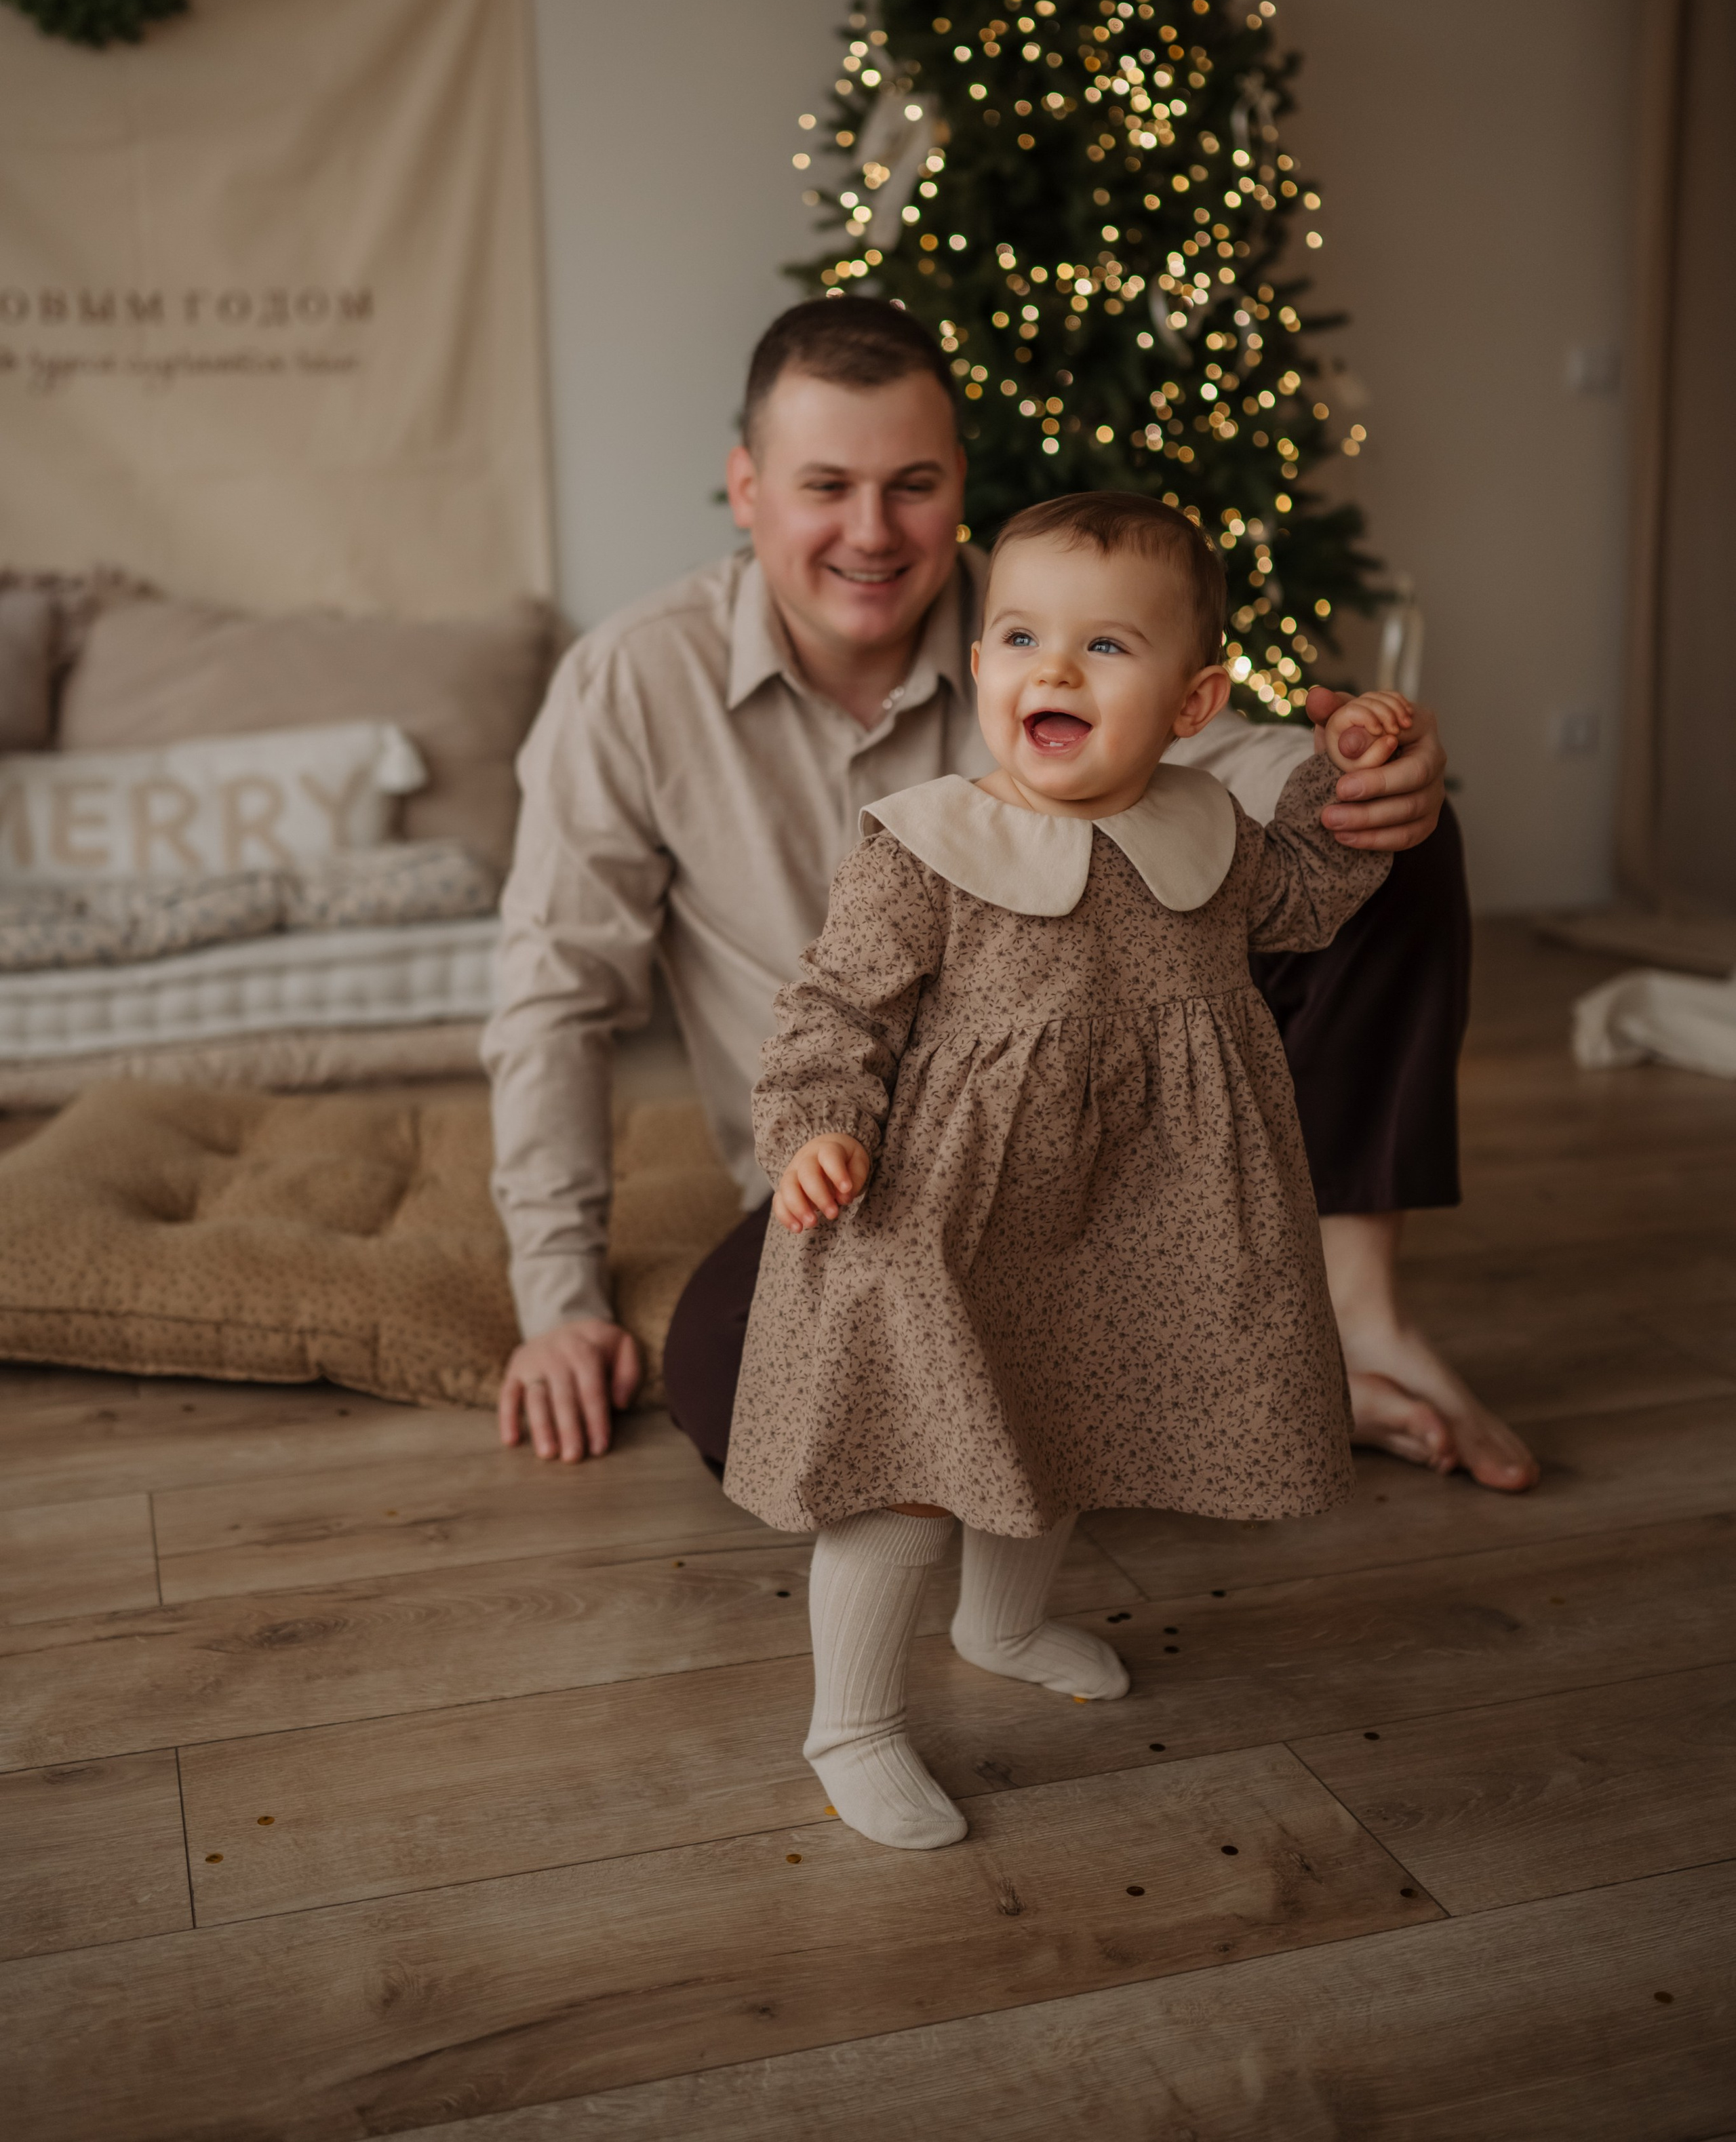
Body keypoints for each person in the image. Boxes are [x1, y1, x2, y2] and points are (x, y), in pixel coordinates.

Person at [483, 298, 1537, 1490]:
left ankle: (1348, 1318)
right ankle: (1178, 1394)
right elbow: (555, 998)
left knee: (1399, 841)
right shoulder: (628, 684)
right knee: (739, 1385)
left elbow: (1223, 765)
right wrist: (559, 1301)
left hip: (1118, 1157)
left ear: (961, 483)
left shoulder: (1050, 617)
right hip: (877, 1169)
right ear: (746, 488)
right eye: (826, 485)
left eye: (913, 484)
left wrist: (1355, 770)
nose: (872, 533)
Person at [723, 492, 1410, 1848]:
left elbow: (1308, 900)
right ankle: (849, 1724)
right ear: (977, 667)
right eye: (1019, 636)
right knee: (911, 1467)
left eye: (1104, 648)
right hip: (938, 1211)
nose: (1049, 668)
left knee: (1062, 1415)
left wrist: (1345, 776)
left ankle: (1004, 1623)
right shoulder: (923, 846)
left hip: (1128, 1212)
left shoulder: (1208, 831)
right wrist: (814, 1128)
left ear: (1192, 696)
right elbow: (831, 1012)